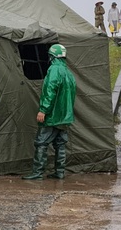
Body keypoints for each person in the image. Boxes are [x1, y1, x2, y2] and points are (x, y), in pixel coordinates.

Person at [22, 44, 77, 180]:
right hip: (65, 116)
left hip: (53, 115)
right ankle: (60, 172)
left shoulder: (54, 70)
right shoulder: (68, 73)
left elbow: (49, 91)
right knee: (60, 144)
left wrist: (43, 110)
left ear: (52, 56)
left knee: (41, 143)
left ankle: (37, 173)